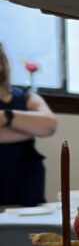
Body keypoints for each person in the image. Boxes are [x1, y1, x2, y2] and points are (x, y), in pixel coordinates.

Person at [0, 43, 57, 206]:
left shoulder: (26, 96)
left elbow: (49, 125)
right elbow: (40, 129)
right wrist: (28, 127)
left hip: (27, 182)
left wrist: (6, 116)